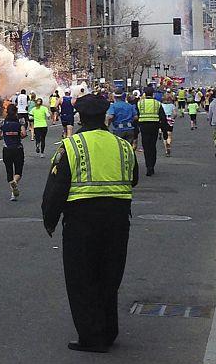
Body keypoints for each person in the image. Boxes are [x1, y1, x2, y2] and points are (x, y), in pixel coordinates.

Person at [42, 95, 139, 353]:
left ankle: (92, 336)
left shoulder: (70, 146)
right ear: (105, 116)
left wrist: (50, 220)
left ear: (80, 117)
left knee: (82, 279)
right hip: (118, 220)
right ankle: (109, 330)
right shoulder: (122, 145)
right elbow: (134, 178)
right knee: (110, 276)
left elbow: (56, 188)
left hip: (81, 221)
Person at [0, 104, 26, 201]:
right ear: (16, 112)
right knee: (18, 171)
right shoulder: (20, 121)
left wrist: (4, 136)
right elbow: (23, 134)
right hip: (18, 148)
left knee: (9, 171)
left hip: (7, 149)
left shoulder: (2, 122)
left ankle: (13, 192)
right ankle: (15, 182)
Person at [137, 86, 168, 176]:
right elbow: (163, 118)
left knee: (146, 147)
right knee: (152, 146)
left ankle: (148, 166)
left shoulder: (140, 103)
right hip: (154, 126)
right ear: (153, 93)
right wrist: (164, 131)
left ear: (144, 94)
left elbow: (136, 116)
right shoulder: (157, 104)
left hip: (143, 126)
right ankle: (152, 166)